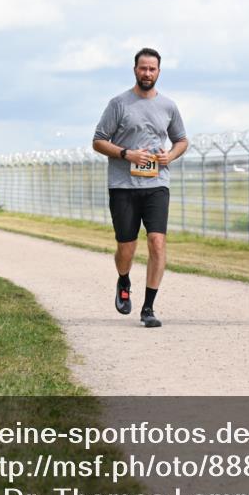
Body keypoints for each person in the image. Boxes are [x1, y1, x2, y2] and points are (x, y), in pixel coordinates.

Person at [92, 47, 188, 328]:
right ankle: (123, 280)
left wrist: (170, 155)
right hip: (123, 185)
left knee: (157, 242)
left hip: (157, 184)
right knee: (127, 246)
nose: (147, 73)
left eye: (152, 69)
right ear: (135, 70)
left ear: (159, 71)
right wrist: (126, 154)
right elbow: (98, 141)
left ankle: (148, 307)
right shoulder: (119, 104)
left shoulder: (169, 106)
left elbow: (182, 139)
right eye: (143, 68)